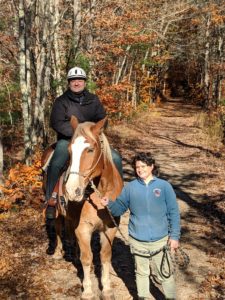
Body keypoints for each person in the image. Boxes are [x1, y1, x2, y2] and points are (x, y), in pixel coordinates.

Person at [45, 66, 123, 255]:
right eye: (73, 80)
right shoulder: (61, 101)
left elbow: (102, 119)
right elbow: (56, 122)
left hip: (92, 141)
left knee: (115, 157)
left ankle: (119, 197)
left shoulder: (93, 99)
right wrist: (78, 134)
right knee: (56, 161)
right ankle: (51, 200)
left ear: (85, 82)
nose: (77, 82)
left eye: (80, 80)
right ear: (69, 83)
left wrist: (91, 133)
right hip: (69, 139)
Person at [101, 152, 180, 300]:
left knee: (165, 273)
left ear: (151, 167)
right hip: (138, 240)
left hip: (160, 240)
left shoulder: (164, 186)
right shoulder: (130, 188)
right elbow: (120, 208)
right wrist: (109, 204)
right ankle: (143, 297)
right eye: (137, 167)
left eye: (143, 166)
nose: (140, 169)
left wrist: (174, 236)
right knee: (141, 273)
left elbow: (174, 213)